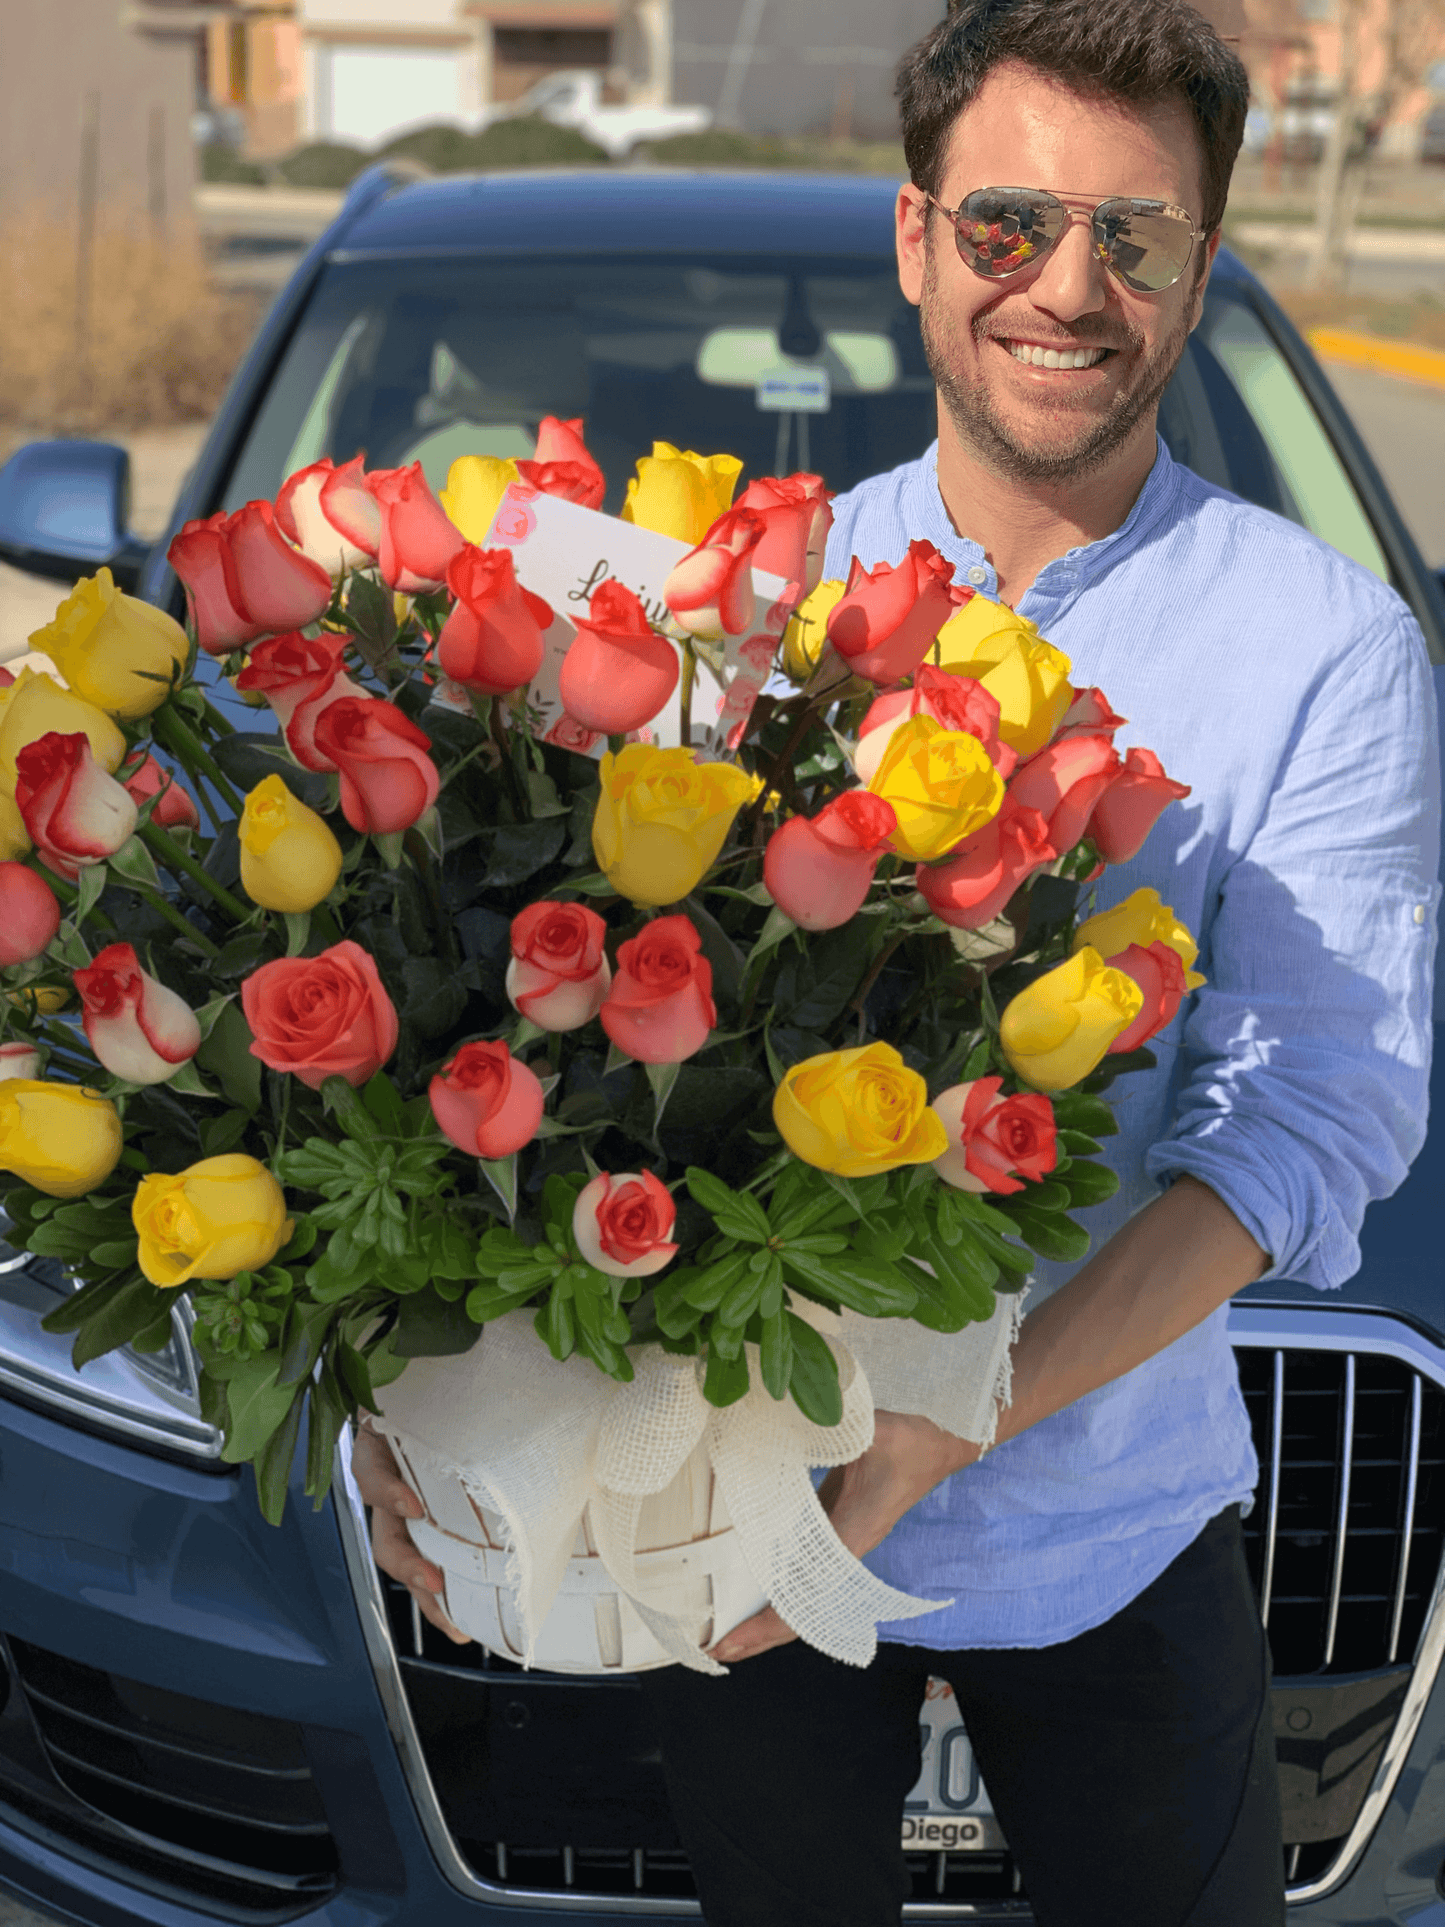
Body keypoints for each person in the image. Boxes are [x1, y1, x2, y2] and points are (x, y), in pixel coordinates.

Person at [352, 2, 1441, 1921]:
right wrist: (405, 1413)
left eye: (1141, 236)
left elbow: (1312, 1124)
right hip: (721, 1528)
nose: (1071, 290)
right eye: (1013, 224)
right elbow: (477, 1038)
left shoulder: (1326, 650)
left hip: (1109, 1529)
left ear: (1204, 269)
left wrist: (947, 1426)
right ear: (919, 239)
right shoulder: (739, 608)